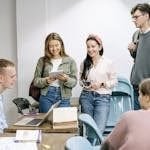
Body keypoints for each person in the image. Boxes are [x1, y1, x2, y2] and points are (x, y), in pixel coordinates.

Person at [79, 34, 117, 134]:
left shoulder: (108, 63)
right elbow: (80, 80)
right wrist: (86, 85)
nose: (90, 49)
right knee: (89, 129)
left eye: (93, 46)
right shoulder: (84, 63)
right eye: (88, 47)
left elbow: (114, 81)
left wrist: (102, 84)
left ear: (99, 47)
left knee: (98, 130)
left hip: (103, 98)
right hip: (86, 97)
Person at [101, 78, 150, 150]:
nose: (138, 98)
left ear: (147, 98)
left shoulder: (130, 117)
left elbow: (107, 145)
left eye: (139, 94)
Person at [33, 32, 77, 113]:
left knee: (61, 123)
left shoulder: (70, 61)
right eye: (51, 46)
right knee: (46, 124)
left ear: (61, 45)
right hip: (46, 96)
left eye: (57, 45)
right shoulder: (42, 61)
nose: (54, 49)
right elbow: (35, 81)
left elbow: (74, 82)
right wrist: (46, 80)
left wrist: (66, 79)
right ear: (47, 47)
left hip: (63, 97)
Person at [128, 3, 150, 110]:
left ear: (146, 16)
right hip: (136, 85)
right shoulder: (136, 34)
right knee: (138, 119)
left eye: (136, 17)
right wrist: (132, 50)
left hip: (148, 86)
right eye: (133, 17)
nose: (134, 20)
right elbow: (137, 57)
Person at [0, 59, 16, 133]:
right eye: (12, 76)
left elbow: (2, 123)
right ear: (1, 78)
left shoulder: (1, 96)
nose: (15, 79)